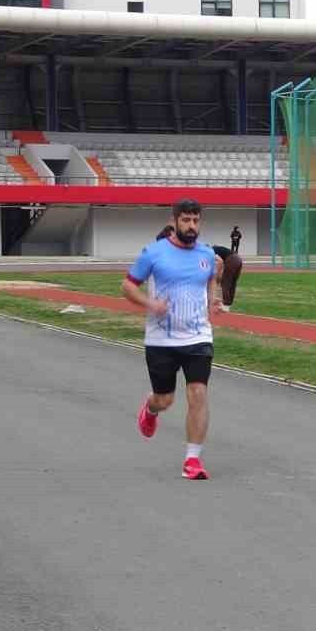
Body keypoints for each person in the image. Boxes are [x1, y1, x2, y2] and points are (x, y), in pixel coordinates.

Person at [123, 199, 222, 481]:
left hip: (198, 336)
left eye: (196, 221)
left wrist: (214, 298)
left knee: (198, 394)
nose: (192, 226)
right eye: (187, 220)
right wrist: (150, 304)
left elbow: (212, 276)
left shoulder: (206, 253)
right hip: (161, 341)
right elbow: (128, 286)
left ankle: (192, 460)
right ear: (174, 221)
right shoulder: (154, 253)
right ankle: (151, 408)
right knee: (165, 399)